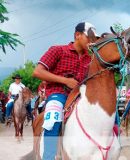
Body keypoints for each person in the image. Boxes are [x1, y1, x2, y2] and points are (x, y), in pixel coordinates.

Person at [32, 22, 98, 160]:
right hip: (58, 94)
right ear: (77, 35)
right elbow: (38, 72)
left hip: (81, 96)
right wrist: (65, 81)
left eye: (94, 38)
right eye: (89, 37)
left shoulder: (91, 59)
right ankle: (48, 157)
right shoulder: (58, 50)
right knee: (53, 120)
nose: (92, 41)